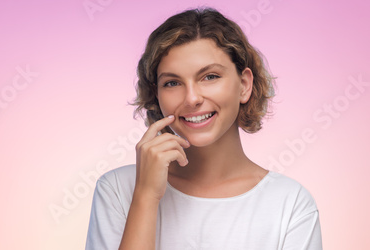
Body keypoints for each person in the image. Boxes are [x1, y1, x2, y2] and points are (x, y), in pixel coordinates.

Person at [85, 7, 322, 250]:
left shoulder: (290, 204)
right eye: (172, 82)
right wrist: (145, 196)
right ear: (157, 95)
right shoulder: (117, 190)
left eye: (209, 77)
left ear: (244, 85)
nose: (191, 99)